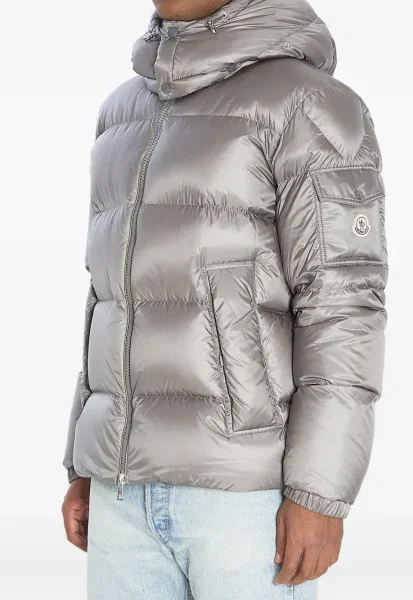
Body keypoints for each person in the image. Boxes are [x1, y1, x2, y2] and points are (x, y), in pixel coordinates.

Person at [62, 1, 388, 598]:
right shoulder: (121, 113)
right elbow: (107, 297)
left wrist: (321, 490)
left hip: (247, 500)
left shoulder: (308, 106)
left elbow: (343, 306)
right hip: (119, 491)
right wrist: (84, 460)